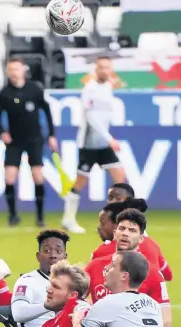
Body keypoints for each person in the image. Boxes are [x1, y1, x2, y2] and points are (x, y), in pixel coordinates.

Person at [62, 57, 127, 234]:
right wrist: (109, 138)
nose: (105, 71)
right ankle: (68, 219)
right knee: (81, 181)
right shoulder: (89, 89)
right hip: (89, 143)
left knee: (120, 178)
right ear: (96, 70)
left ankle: (117, 218)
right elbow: (91, 118)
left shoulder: (107, 87)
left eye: (108, 67)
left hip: (103, 143)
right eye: (102, 68)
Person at [0, 57, 58, 227]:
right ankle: (13, 215)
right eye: (11, 70)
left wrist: (51, 135)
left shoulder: (34, 89)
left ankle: (39, 216)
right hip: (14, 141)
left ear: (23, 70)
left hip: (34, 139)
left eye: (16, 69)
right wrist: (2, 132)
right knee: (9, 177)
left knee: (37, 176)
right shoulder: (5, 93)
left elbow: (47, 110)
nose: (14, 73)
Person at [92, 197, 173, 281]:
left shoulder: (101, 252)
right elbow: (168, 275)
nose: (99, 227)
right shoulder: (152, 244)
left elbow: (87, 284)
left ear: (116, 226)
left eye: (102, 223)